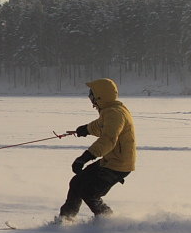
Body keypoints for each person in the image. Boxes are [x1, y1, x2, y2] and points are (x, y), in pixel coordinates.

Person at [56, 78, 136, 223]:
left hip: (119, 164)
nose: (89, 97)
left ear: (100, 96)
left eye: (91, 93)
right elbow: (100, 126)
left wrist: (85, 157)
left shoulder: (114, 114)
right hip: (111, 160)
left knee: (89, 191)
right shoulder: (111, 110)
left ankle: (108, 220)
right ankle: (65, 219)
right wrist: (85, 129)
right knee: (77, 182)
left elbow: (108, 139)